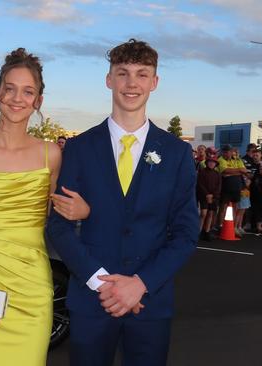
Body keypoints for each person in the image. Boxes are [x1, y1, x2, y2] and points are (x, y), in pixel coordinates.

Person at [47, 39, 198, 366]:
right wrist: (102, 283)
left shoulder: (176, 152)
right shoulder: (78, 148)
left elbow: (186, 234)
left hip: (150, 301)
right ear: (109, 79)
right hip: (92, 299)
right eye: (123, 73)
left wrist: (140, 284)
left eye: (142, 75)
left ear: (154, 83)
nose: (132, 83)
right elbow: (58, 227)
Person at [0, 48, 86, 366]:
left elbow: (59, 220)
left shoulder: (51, 154)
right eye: (10, 88)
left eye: (28, 91)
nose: (17, 98)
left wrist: (83, 212)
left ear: (38, 100)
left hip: (34, 292)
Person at [217, 144, 247, 231]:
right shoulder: (220, 160)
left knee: (235, 207)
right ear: (222, 152)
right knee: (223, 207)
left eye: (229, 151)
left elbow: (244, 170)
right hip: (225, 187)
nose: (227, 153)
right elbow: (225, 171)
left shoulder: (237, 159)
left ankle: (231, 226)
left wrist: (232, 172)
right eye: (225, 151)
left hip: (237, 187)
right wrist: (239, 171)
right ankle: (220, 225)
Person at [197, 157, 221, 241]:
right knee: (203, 213)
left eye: (213, 162)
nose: (211, 164)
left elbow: (218, 186)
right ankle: (198, 232)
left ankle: (206, 231)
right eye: (210, 162)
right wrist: (207, 194)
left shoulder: (217, 174)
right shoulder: (202, 172)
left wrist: (213, 195)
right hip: (204, 196)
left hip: (214, 196)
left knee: (210, 213)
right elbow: (200, 184)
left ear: (215, 164)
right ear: (207, 163)